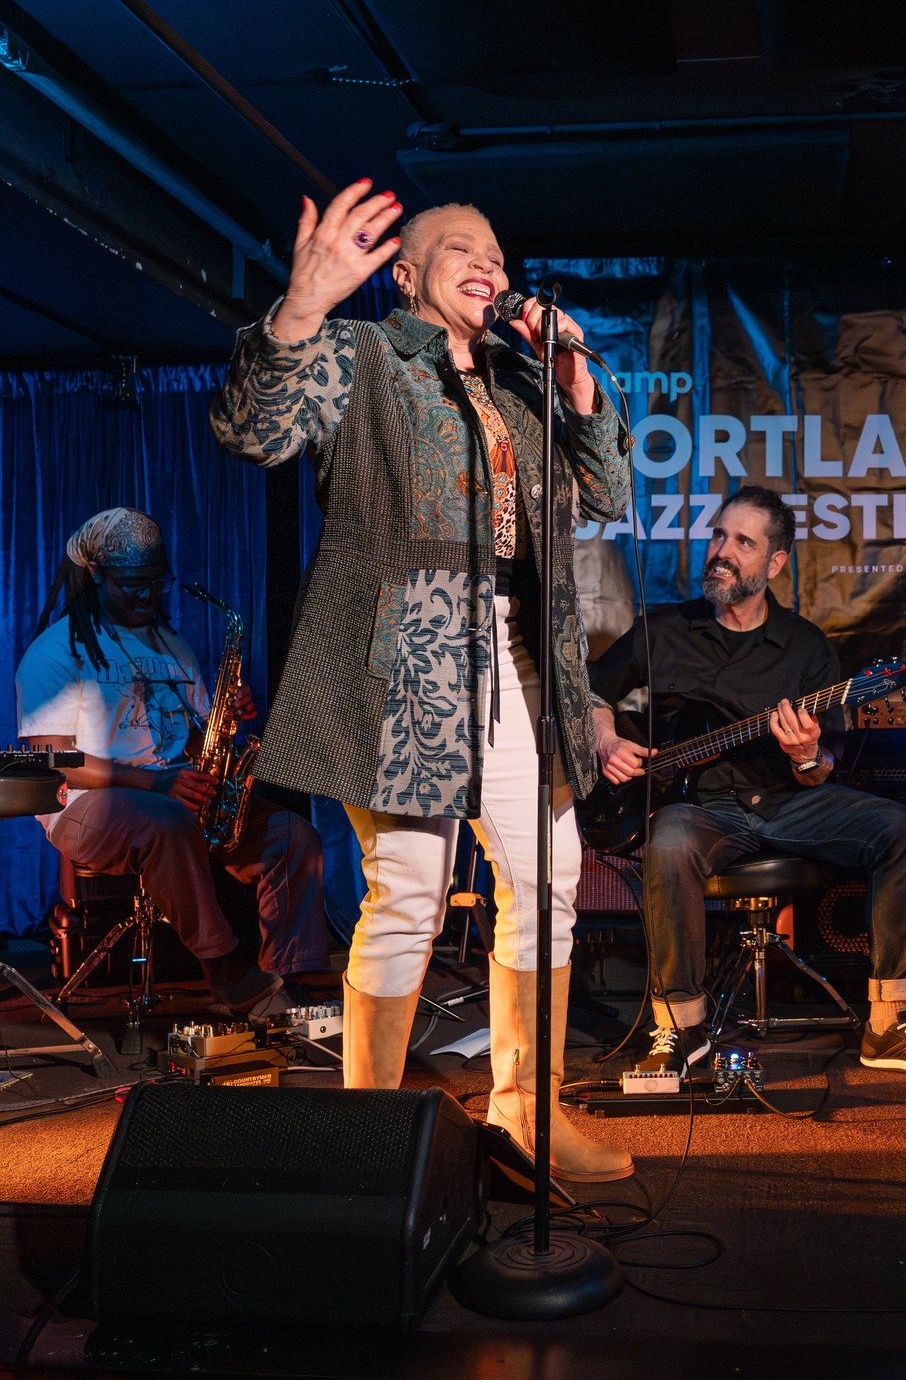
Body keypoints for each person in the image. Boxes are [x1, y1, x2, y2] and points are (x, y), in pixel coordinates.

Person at [210, 181, 634, 1185]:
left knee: (551, 880)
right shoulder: (361, 359)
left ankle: (531, 1111)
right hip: (407, 655)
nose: (484, 258)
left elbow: (609, 493)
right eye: (455, 247)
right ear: (403, 276)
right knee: (408, 890)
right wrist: (304, 308)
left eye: (493, 246)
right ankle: (367, 1136)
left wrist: (576, 381)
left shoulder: (520, 379)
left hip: (522, 654)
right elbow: (251, 429)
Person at [590, 484, 906, 1085]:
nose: (722, 550)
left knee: (898, 827)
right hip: (701, 808)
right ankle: (681, 1025)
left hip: (789, 802)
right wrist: (608, 740)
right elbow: (590, 690)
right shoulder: (663, 629)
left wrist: (804, 756)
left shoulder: (805, 650)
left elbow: (822, 767)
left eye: (742, 542)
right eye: (719, 535)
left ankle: (890, 1023)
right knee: (668, 841)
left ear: (773, 564)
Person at [15, 507, 329, 1016]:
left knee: (293, 836)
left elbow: (193, 738)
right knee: (166, 820)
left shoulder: (174, 646)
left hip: (172, 797)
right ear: (96, 574)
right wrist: (155, 783)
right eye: (131, 584)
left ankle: (290, 979)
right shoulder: (57, 651)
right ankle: (227, 973)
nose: (146, 596)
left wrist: (228, 719)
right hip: (85, 806)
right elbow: (50, 756)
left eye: (155, 583)